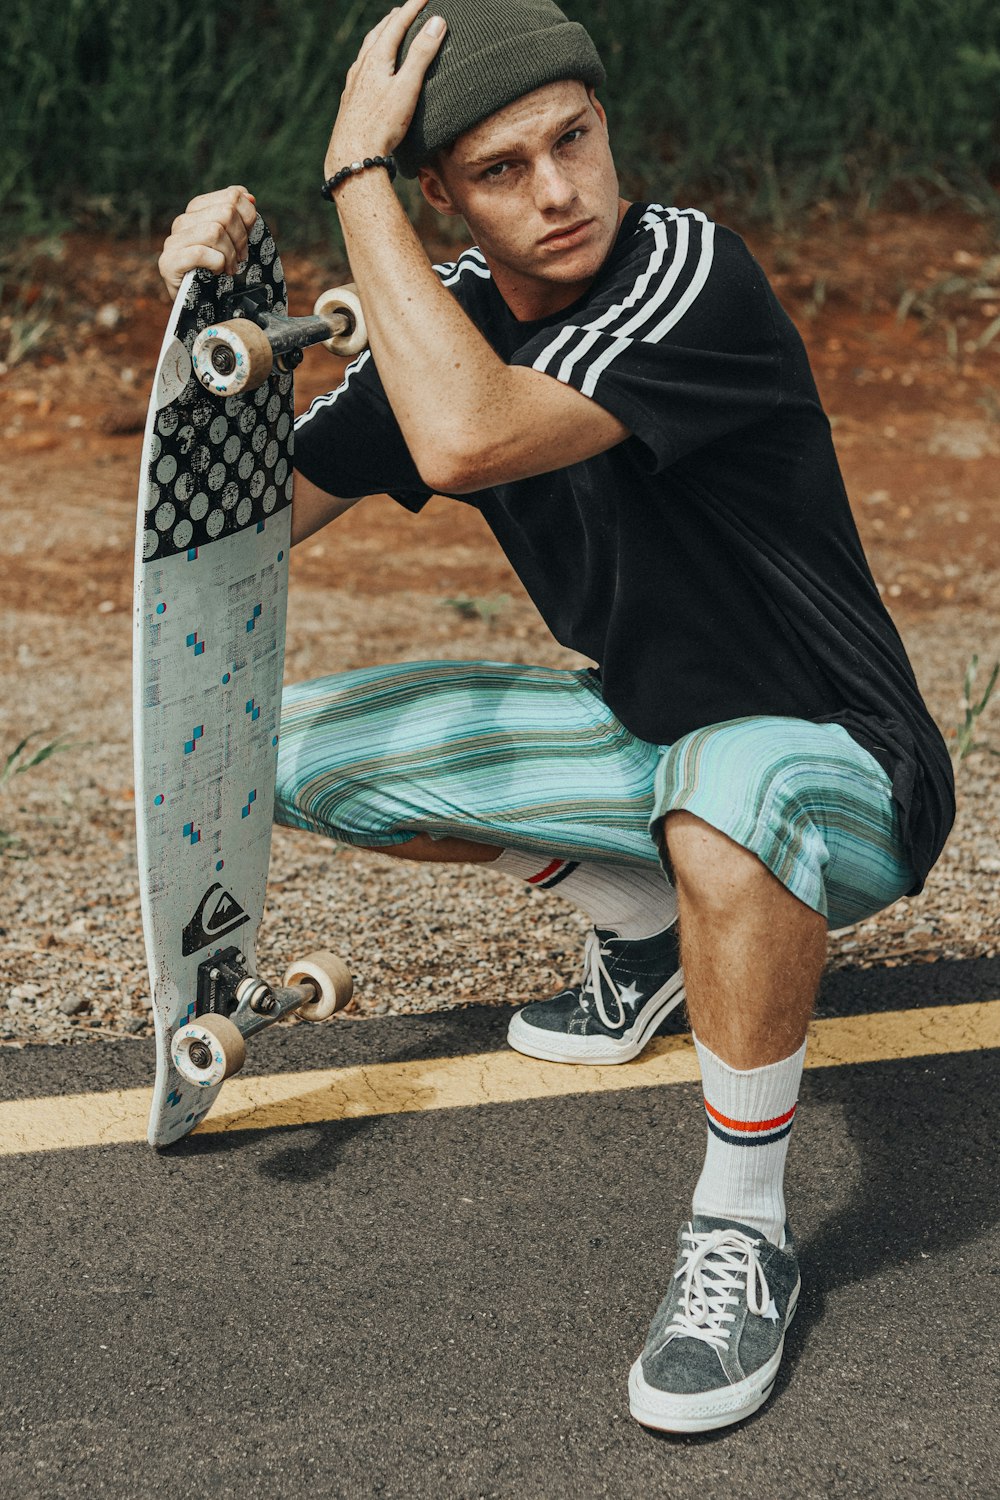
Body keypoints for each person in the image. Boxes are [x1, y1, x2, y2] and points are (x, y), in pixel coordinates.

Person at [158, 0, 954, 1435]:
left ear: (605, 125)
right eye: (506, 169)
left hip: (838, 760)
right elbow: (237, 524)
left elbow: (466, 430)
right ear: (444, 198)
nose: (562, 190)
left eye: (573, 141)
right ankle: (646, 935)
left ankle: (741, 1225)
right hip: (648, 742)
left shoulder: (685, 275)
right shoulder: (448, 319)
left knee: (732, 786)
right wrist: (213, 321)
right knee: (288, 754)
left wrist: (347, 181)